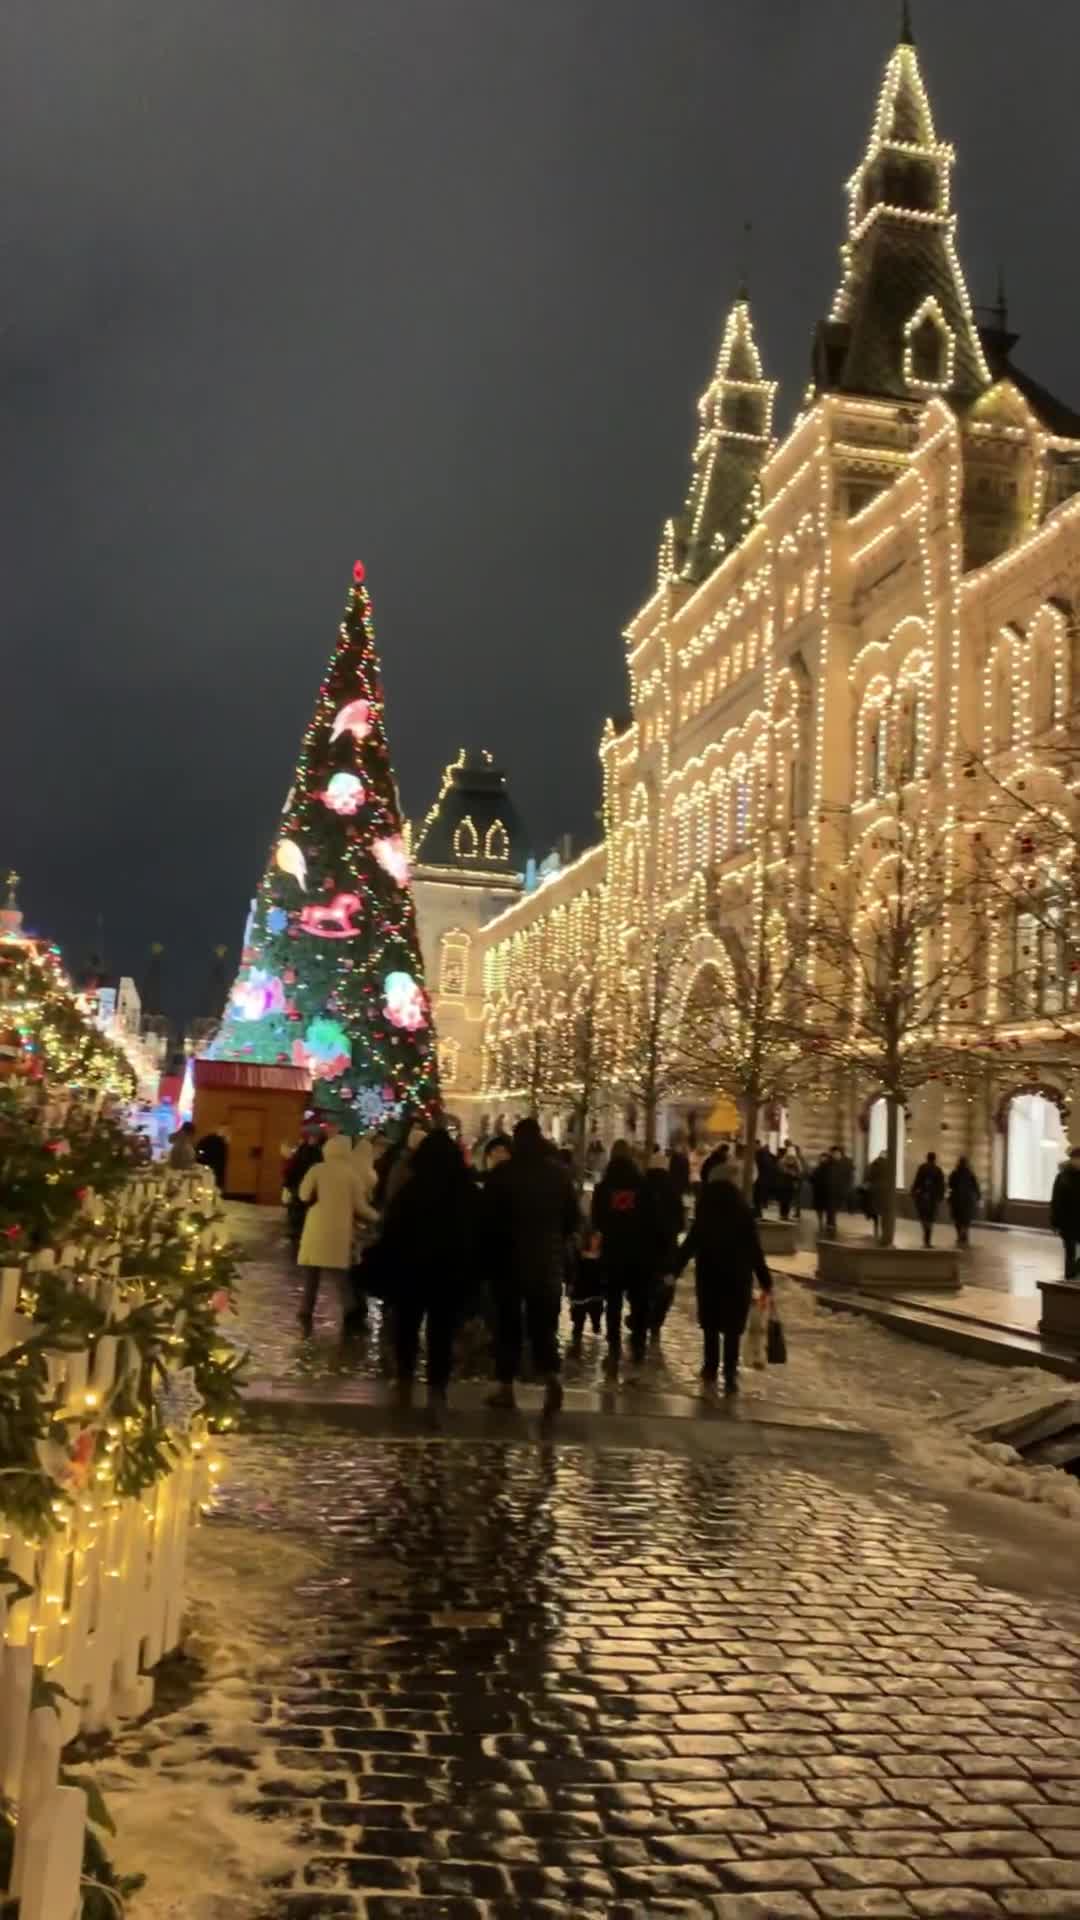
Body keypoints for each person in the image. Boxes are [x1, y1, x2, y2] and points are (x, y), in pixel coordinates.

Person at [483, 1116, 578, 1414]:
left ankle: (506, 1387)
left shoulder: (503, 1174)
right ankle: (551, 1378)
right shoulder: (560, 1175)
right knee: (544, 1326)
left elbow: (489, 1220)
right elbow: (572, 1219)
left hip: (508, 1261)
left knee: (508, 1326)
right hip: (546, 1262)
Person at [380, 1129, 476, 1409]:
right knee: (441, 1331)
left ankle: (405, 1376)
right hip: (449, 1271)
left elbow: (393, 1228)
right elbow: (476, 1230)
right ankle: (437, 1387)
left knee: (407, 1326)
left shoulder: (412, 1188)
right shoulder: (465, 1191)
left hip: (413, 1270)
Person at [674, 1174, 772, 1395]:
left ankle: (709, 1369)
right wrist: (766, 1280)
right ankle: (729, 1375)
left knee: (711, 1326)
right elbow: (756, 1252)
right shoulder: (744, 1216)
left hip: (710, 1278)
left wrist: (673, 1271)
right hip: (738, 1280)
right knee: (732, 1329)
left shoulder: (706, 1216)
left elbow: (689, 1246)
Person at [296, 1135, 377, 1336]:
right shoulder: (351, 1175)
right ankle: (350, 1312)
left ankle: (305, 1312)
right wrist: (379, 1217)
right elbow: (361, 1207)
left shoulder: (317, 1170)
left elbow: (304, 1195)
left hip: (315, 1227)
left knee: (311, 1276)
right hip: (338, 1232)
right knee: (340, 1277)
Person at [591, 1139, 656, 1372]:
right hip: (638, 1252)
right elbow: (651, 1218)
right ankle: (638, 1345)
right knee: (639, 1301)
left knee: (614, 1301)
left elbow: (597, 1219)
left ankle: (614, 1346)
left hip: (613, 1251)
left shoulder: (604, 1186)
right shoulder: (642, 1185)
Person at [645, 1149, 683, 1338]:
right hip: (667, 1249)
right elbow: (681, 1223)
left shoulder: (642, 1188)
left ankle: (643, 1318)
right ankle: (656, 1322)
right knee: (666, 1287)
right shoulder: (673, 1191)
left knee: (644, 1285)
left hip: (645, 1248)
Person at [283, 1121, 324, 1253]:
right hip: (300, 1185)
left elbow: (294, 1166)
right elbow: (294, 1167)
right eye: (312, 1136)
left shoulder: (308, 1151)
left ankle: (298, 1235)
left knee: (299, 1211)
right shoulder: (315, 1152)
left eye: (314, 1136)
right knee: (298, 1211)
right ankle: (296, 1235)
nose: (312, 1138)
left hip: (303, 1186)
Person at [1050, 1145, 1080, 1280]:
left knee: (1072, 1255)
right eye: (1076, 1158)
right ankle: (1069, 1278)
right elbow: (1055, 1201)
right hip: (1067, 1223)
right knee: (1070, 1253)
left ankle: (1074, 1271)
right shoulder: (1062, 1177)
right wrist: (1055, 1223)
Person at [911, 1151, 946, 1248]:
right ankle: (927, 1238)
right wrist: (940, 1196)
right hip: (933, 1198)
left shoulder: (922, 1168)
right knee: (930, 1217)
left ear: (927, 1158)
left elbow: (917, 1181)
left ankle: (926, 1233)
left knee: (923, 1217)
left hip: (922, 1196)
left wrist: (913, 1191)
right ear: (934, 1159)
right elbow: (941, 1185)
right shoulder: (938, 1170)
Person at [947, 1155, 981, 1249]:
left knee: (958, 1219)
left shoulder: (954, 1173)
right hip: (968, 1200)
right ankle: (964, 1234)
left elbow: (950, 1185)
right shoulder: (970, 1174)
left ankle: (960, 1235)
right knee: (966, 1219)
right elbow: (976, 1187)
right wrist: (978, 1197)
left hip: (957, 1200)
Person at [866, 1150, 890, 1242]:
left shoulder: (874, 1163)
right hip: (885, 1191)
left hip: (875, 1190)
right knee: (884, 1212)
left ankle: (876, 1228)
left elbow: (869, 1176)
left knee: (875, 1211)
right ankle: (883, 1231)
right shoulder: (889, 1165)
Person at [775, 1143, 802, 1222]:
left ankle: (785, 1214)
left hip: (791, 1184)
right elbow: (779, 1170)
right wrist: (789, 1172)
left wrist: (794, 1174)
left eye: (792, 1157)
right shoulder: (782, 1161)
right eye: (789, 1157)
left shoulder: (797, 1162)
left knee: (788, 1200)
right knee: (783, 1200)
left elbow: (799, 1172)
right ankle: (782, 1214)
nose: (791, 1159)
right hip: (783, 1183)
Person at [752, 1144, 776, 1218]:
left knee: (756, 1198)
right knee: (758, 1198)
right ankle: (758, 1213)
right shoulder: (768, 1159)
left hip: (759, 1180)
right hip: (764, 1180)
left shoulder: (759, 1159)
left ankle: (757, 1213)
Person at [668, 1135, 692, 1204]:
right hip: (681, 1184)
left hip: (674, 1184)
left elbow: (670, 1171)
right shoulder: (684, 1159)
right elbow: (687, 1173)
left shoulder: (673, 1158)